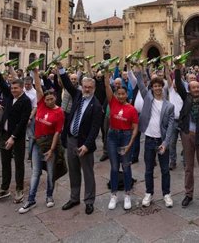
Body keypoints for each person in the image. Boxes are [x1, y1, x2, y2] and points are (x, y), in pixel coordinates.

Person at [18, 68, 65, 213]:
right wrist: (36, 73)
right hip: (37, 143)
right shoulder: (42, 105)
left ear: (55, 98)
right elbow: (38, 87)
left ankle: (49, 196)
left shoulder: (59, 112)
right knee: (35, 172)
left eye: (51, 99)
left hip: (50, 144)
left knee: (51, 172)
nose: (49, 101)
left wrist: (51, 150)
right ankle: (31, 199)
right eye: (47, 99)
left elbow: (57, 132)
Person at [59, 63, 103, 214]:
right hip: (71, 139)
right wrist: (61, 68)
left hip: (84, 144)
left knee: (88, 173)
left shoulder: (96, 106)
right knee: (73, 171)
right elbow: (66, 83)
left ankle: (89, 201)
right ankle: (74, 197)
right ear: (81, 86)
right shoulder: (78, 95)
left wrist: (87, 145)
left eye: (90, 87)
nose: (87, 89)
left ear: (94, 88)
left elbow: (94, 129)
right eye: (85, 87)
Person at [174, 64, 199, 210]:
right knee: (188, 167)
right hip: (187, 136)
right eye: (193, 88)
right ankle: (188, 194)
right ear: (189, 90)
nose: (196, 89)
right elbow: (178, 84)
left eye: (198, 87)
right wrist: (177, 68)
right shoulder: (187, 99)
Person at [0, 65, 32, 203]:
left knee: (19, 163)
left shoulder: (26, 101)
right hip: (4, 134)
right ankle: (4, 188)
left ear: (22, 88)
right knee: (5, 162)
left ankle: (19, 189)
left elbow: (23, 121)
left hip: (17, 136)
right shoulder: (9, 96)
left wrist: (13, 137)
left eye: (16, 88)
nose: (13, 90)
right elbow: (2, 84)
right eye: (12, 88)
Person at [138, 70, 175, 208]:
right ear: (152, 88)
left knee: (165, 169)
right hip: (149, 139)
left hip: (162, 142)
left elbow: (171, 127)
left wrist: (166, 143)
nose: (158, 88)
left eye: (160, 85)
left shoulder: (169, 106)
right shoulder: (148, 99)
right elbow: (141, 84)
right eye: (155, 86)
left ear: (163, 87)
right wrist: (137, 67)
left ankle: (166, 194)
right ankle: (149, 193)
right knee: (148, 169)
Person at [103, 68, 139, 210]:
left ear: (126, 95)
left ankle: (127, 194)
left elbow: (135, 128)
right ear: (116, 94)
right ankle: (113, 195)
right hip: (112, 136)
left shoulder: (131, 109)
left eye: (123, 94)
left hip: (125, 136)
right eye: (119, 94)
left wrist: (130, 144)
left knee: (126, 166)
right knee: (113, 167)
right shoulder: (113, 102)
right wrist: (106, 73)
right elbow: (107, 86)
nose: (121, 96)